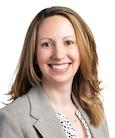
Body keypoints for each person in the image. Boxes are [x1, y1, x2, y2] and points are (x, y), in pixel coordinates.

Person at [0, 6, 109, 138]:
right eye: (47, 44)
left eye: (68, 42)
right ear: (34, 54)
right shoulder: (12, 119)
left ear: (83, 49)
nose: (59, 55)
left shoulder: (95, 109)